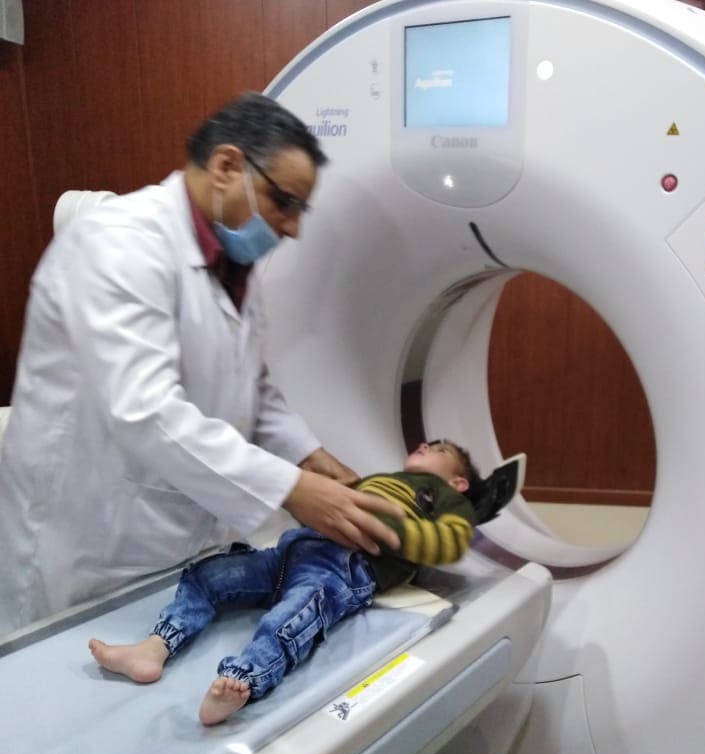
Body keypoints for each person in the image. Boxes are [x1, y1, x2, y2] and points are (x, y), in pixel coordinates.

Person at [0, 92, 403, 637]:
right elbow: (144, 410)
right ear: (227, 166)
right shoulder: (118, 246)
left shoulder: (231, 266)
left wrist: (309, 455)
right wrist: (291, 489)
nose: (292, 228)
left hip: (173, 536)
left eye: (300, 210)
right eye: (284, 201)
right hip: (88, 544)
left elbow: (252, 386)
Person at [88, 439, 481, 725]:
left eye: (440, 449)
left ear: (459, 482)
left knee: (290, 618)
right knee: (209, 576)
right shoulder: (382, 479)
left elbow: (452, 541)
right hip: (292, 550)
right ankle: (155, 647)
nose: (426, 444)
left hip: (342, 569)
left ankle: (241, 682)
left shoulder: (445, 498)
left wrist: (391, 530)